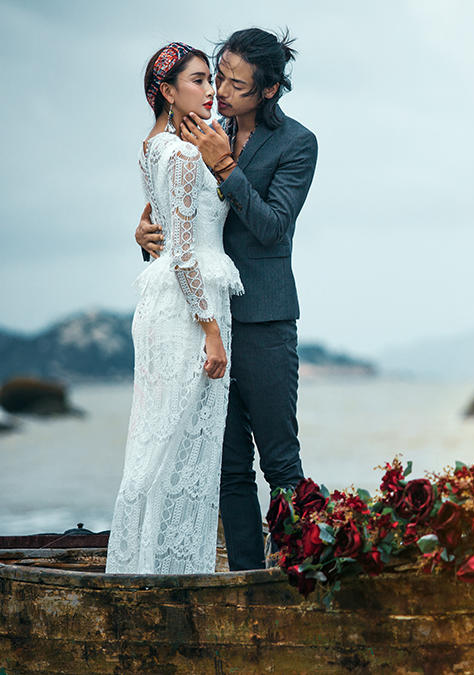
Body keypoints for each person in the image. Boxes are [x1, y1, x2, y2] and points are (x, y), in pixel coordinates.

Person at [135, 28, 318, 571]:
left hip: (263, 321)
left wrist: (226, 167)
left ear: (269, 89)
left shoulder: (297, 143)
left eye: (237, 84)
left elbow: (274, 227)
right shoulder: (204, 127)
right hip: (203, 322)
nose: (222, 91)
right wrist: (146, 237)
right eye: (218, 77)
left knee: (281, 464)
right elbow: (181, 217)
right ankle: (246, 582)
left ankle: (301, 576)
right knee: (228, 468)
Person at [107, 42, 243, 574]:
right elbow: (184, 254)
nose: (210, 91)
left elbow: (161, 227)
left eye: (212, 79)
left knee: (156, 444)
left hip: (163, 306)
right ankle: (168, 575)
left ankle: (141, 567)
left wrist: (143, 232)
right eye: (198, 80)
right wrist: (211, 331)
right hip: (190, 311)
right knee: (180, 449)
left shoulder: (153, 146)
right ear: (167, 91)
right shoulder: (186, 155)